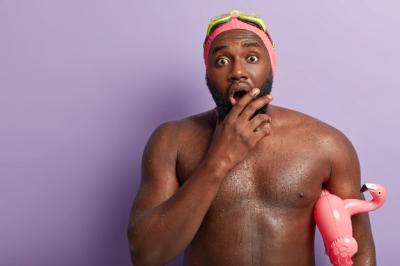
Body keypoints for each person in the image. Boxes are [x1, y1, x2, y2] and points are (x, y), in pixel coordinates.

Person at [128, 10, 376, 265]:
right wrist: (219, 160)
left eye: (252, 57)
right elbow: (146, 254)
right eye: (222, 61)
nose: (237, 71)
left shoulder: (327, 144)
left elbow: (361, 255)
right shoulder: (171, 142)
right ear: (207, 72)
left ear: (271, 65)